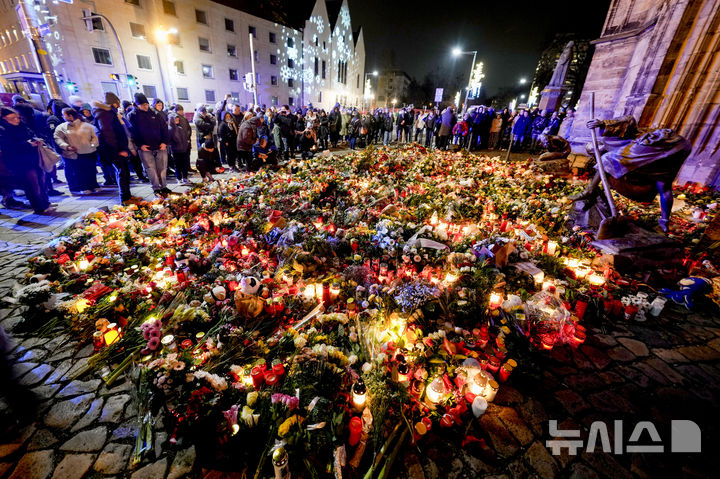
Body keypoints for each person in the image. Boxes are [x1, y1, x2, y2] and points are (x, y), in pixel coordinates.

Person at [0, 107, 53, 214]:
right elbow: (8, 146)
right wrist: (28, 144)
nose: (16, 120)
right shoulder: (3, 129)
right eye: (12, 118)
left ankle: (45, 203)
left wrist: (35, 140)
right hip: (19, 162)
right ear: (4, 118)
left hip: (33, 157)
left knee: (41, 180)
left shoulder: (22, 125)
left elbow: (31, 133)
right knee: (32, 184)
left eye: (17, 117)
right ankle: (39, 207)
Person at [93, 92, 143, 205]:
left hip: (118, 148)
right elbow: (109, 134)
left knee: (125, 172)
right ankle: (124, 198)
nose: (119, 106)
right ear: (113, 102)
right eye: (117, 103)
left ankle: (127, 196)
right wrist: (119, 150)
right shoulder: (105, 114)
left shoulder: (109, 113)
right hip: (114, 150)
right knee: (122, 172)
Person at [127, 93, 172, 196]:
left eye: (146, 104)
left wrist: (164, 142)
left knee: (162, 168)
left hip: (160, 146)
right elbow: (132, 132)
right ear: (137, 105)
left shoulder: (155, 114)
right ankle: (156, 188)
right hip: (145, 148)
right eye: (142, 105)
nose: (145, 106)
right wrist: (140, 145)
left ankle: (163, 186)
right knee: (151, 169)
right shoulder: (132, 116)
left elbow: (164, 128)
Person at [53, 108, 100, 195]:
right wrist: (67, 147)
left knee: (91, 169)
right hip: (76, 154)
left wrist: (92, 146)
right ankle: (84, 187)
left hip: (90, 152)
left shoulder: (87, 126)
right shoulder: (61, 127)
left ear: (70, 116)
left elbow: (95, 137)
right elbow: (58, 138)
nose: (62, 116)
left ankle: (94, 185)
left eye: (64, 115)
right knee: (80, 171)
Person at [168, 107, 193, 184]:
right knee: (178, 165)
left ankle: (185, 178)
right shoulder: (170, 129)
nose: (177, 121)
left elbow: (185, 136)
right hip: (176, 150)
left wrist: (187, 143)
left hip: (184, 149)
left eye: (178, 119)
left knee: (185, 165)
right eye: (175, 119)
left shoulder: (181, 127)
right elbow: (169, 140)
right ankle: (179, 179)